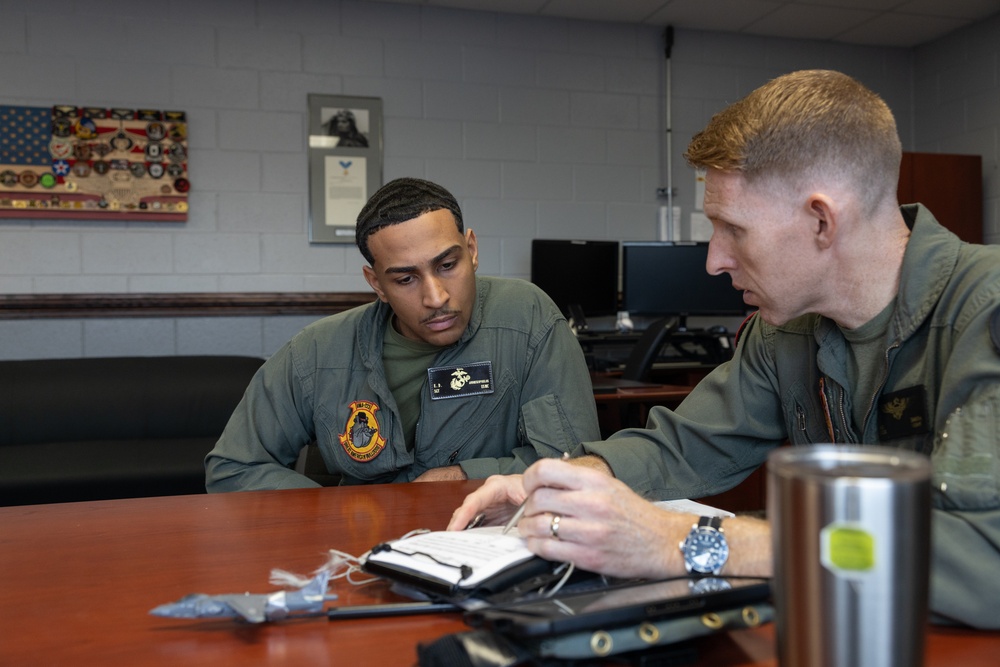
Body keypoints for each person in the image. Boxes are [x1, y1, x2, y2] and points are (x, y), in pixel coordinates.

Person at [447, 70, 1000, 629]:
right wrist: (556, 482)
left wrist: (682, 543)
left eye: (732, 228)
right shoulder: (786, 329)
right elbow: (683, 448)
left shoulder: (985, 312)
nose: (714, 261)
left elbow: (984, 557)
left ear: (821, 220)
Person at [206, 177, 600, 489]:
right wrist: (330, 516)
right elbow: (234, 466)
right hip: (362, 550)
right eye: (406, 278)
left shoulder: (528, 317)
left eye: (447, 264)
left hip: (496, 543)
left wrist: (462, 476)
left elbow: (575, 463)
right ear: (376, 283)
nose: (436, 297)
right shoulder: (316, 351)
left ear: (472, 249)